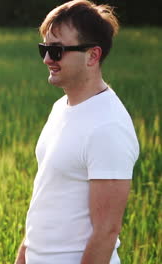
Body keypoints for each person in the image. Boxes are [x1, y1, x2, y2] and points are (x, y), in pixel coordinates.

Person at [14, 1, 139, 263]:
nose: (48, 59)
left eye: (57, 51)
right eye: (44, 49)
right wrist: (24, 255)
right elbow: (47, 197)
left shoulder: (108, 126)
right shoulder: (61, 107)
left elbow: (106, 232)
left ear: (93, 56)